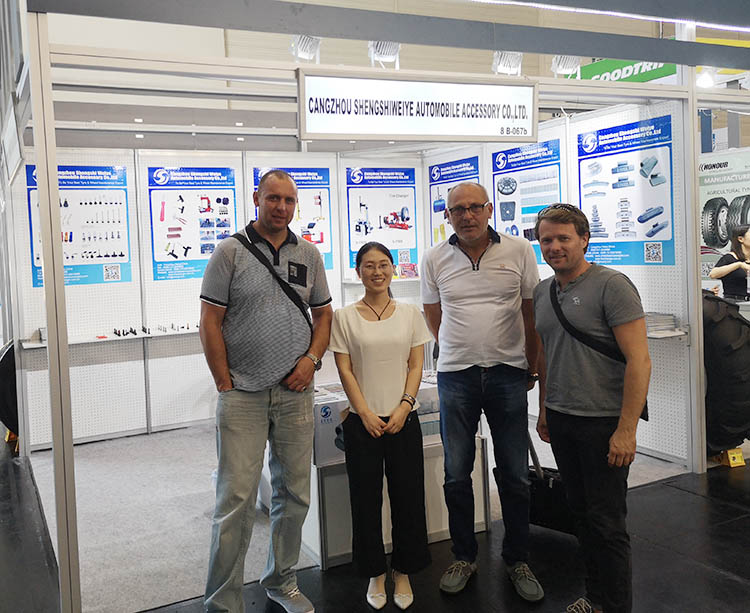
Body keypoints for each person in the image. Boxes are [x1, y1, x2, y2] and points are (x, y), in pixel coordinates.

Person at [200, 169, 333, 613]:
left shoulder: (309, 254)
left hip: (296, 393)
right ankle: (223, 602)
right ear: (256, 197)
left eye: (289, 200)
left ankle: (281, 580)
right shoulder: (230, 252)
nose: (281, 207)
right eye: (273, 198)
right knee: (235, 500)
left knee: (294, 495)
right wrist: (224, 382)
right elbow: (210, 321)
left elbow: (324, 315)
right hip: (243, 395)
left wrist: (311, 360)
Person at [421, 182, 544, 602]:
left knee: (514, 474)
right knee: (456, 472)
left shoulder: (519, 250)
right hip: (456, 376)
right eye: (458, 209)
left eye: (475, 207)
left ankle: (518, 558)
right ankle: (464, 556)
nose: (467, 215)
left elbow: (530, 312)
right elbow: (433, 314)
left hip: (508, 373)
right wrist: (461, 347)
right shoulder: (435, 258)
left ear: (490, 209)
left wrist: (531, 363)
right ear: (447, 215)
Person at [533, 203, 651, 613]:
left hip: (603, 423)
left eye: (564, 238)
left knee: (607, 523)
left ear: (584, 239)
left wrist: (626, 429)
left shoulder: (612, 285)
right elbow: (546, 354)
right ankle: (596, 598)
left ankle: (615, 605)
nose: (555, 246)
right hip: (562, 417)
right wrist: (544, 409)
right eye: (547, 239)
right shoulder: (542, 292)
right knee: (581, 516)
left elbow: (639, 360)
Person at [329, 242, 432, 611]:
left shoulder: (410, 314)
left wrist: (405, 405)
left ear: (393, 269)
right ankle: (374, 572)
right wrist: (365, 412)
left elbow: (416, 364)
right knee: (365, 500)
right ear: (358, 272)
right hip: (363, 422)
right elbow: (344, 369)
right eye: (369, 265)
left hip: (404, 418)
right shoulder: (344, 317)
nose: (377, 272)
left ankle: (403, 570)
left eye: (384, 264)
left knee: (409, 497)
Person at [709, 224, 750, 302]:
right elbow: (713, 274)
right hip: (734, 302)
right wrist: (738, 265)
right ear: (740, 239)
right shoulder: (729, 258)